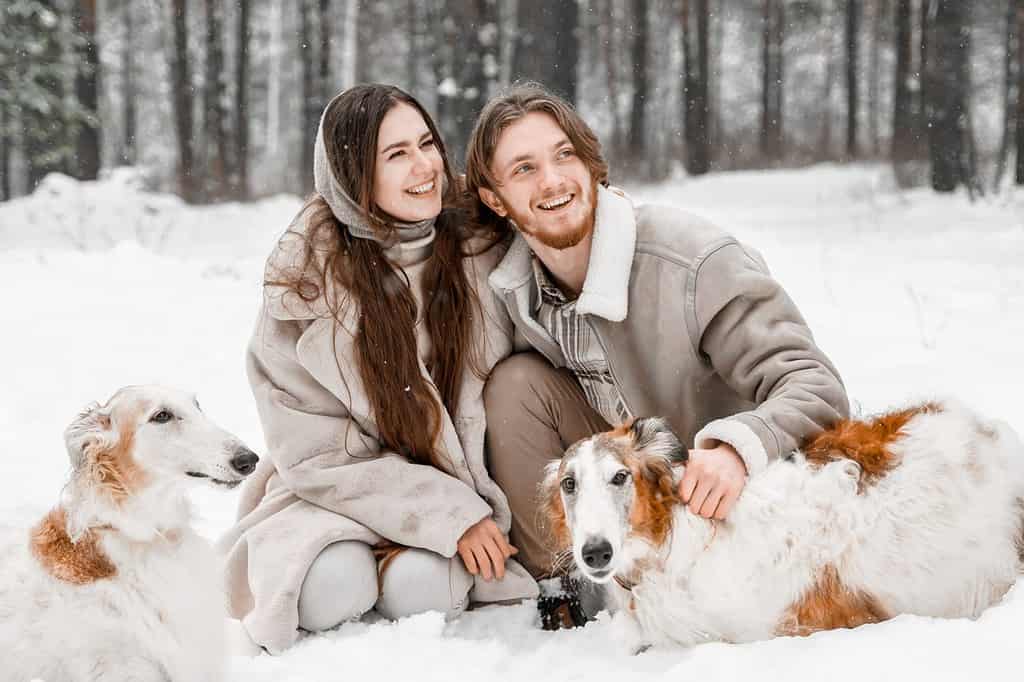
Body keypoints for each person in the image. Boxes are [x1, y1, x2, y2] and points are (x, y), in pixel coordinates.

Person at [463, 83, 849, 619]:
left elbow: (816, 385)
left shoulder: (692, 262)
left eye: (563, 155)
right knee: (514, 386)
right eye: (524, 169)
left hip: (723, 498)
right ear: (494, 197)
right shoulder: (512, 289)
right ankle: (563, 592)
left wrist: (738, 449)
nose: (551, 181)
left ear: (592, 163)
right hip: (625, 486)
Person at [219, 84, 537, 655]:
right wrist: (446, 516)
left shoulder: (484, 240)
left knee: (426, 588)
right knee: (327, 590)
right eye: (396, 156)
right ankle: (372, 557)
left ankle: (402, 562)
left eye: (427, 144)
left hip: (466, 483)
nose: (425, 168)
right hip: (339, 489)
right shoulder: (303, 285)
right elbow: (318, 456)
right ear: (352, 177)